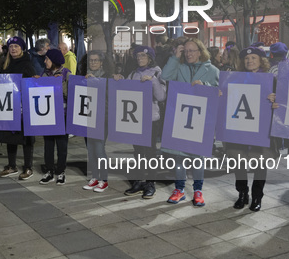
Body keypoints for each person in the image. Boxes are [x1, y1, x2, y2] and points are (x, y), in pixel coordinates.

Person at [161, 38, 219, 206]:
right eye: (185, 51)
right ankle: (179, 190)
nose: (188, 54)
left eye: (191, 50)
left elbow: (219, 92)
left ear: (200, 52)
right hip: (180, 117)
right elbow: (165, 76)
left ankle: (198, 191)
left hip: (200, 120)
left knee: (197, 158)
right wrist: (174, 57)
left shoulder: (213, 70)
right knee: (178, 157)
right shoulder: (179, 67)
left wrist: (205, 85)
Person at [227, 47, 277, 212]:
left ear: (261, 60)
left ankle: (257, 196)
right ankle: (242, 193)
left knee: (259, 163)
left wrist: (274, 99)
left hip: (260, 130)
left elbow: (281, 103)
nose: (249, 61)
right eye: (247, 59)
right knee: (238, 161)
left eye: (253, 58)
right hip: (240, 127)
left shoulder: (271, 80)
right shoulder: (235, 79)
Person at [116, 45, 166, 199]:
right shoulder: (132, 74)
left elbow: (161, 97)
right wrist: (120, 81)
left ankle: (150, 183)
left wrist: (153, 82)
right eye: (137, 57)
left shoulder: (157, 72)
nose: (140, 59)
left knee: (150, 152)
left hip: (151, 119)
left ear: (149, 58)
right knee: (137, 152)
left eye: (143, 56)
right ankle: (138, 181)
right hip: (135, 119)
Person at [0, 37, 37, 180]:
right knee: (10, 137)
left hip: (23, 106)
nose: (13, 49)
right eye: (11, 46)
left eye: (16, 46)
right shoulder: (6, 64)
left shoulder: (27, 64)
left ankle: (28, 167)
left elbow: (32, 83)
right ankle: (12, 165)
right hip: (9, 105)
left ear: (21, 48)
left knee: (26, 137)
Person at [38, 49, 71, 185]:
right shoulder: (44, 73)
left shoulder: (66, 73)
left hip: (62, 114)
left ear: (54, 61)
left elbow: (70, 94)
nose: (45, 61)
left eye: (47, 59)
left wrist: (59, 85)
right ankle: (49, 170)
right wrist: (36, 82)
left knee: (62, 144)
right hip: (48, 114)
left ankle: (61, 171)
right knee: (48, 144)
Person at [82, 51, 110, 192]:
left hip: (102, 118)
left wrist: (96, 82)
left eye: (96, 60)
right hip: (88, 117)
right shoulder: (85, 76)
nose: (93, 63)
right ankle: (94, 177)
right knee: (91, 150)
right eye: (91, 60)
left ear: (101, 62)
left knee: (99, 149)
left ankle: (103, 179)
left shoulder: (106, 77)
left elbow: (108, 95)